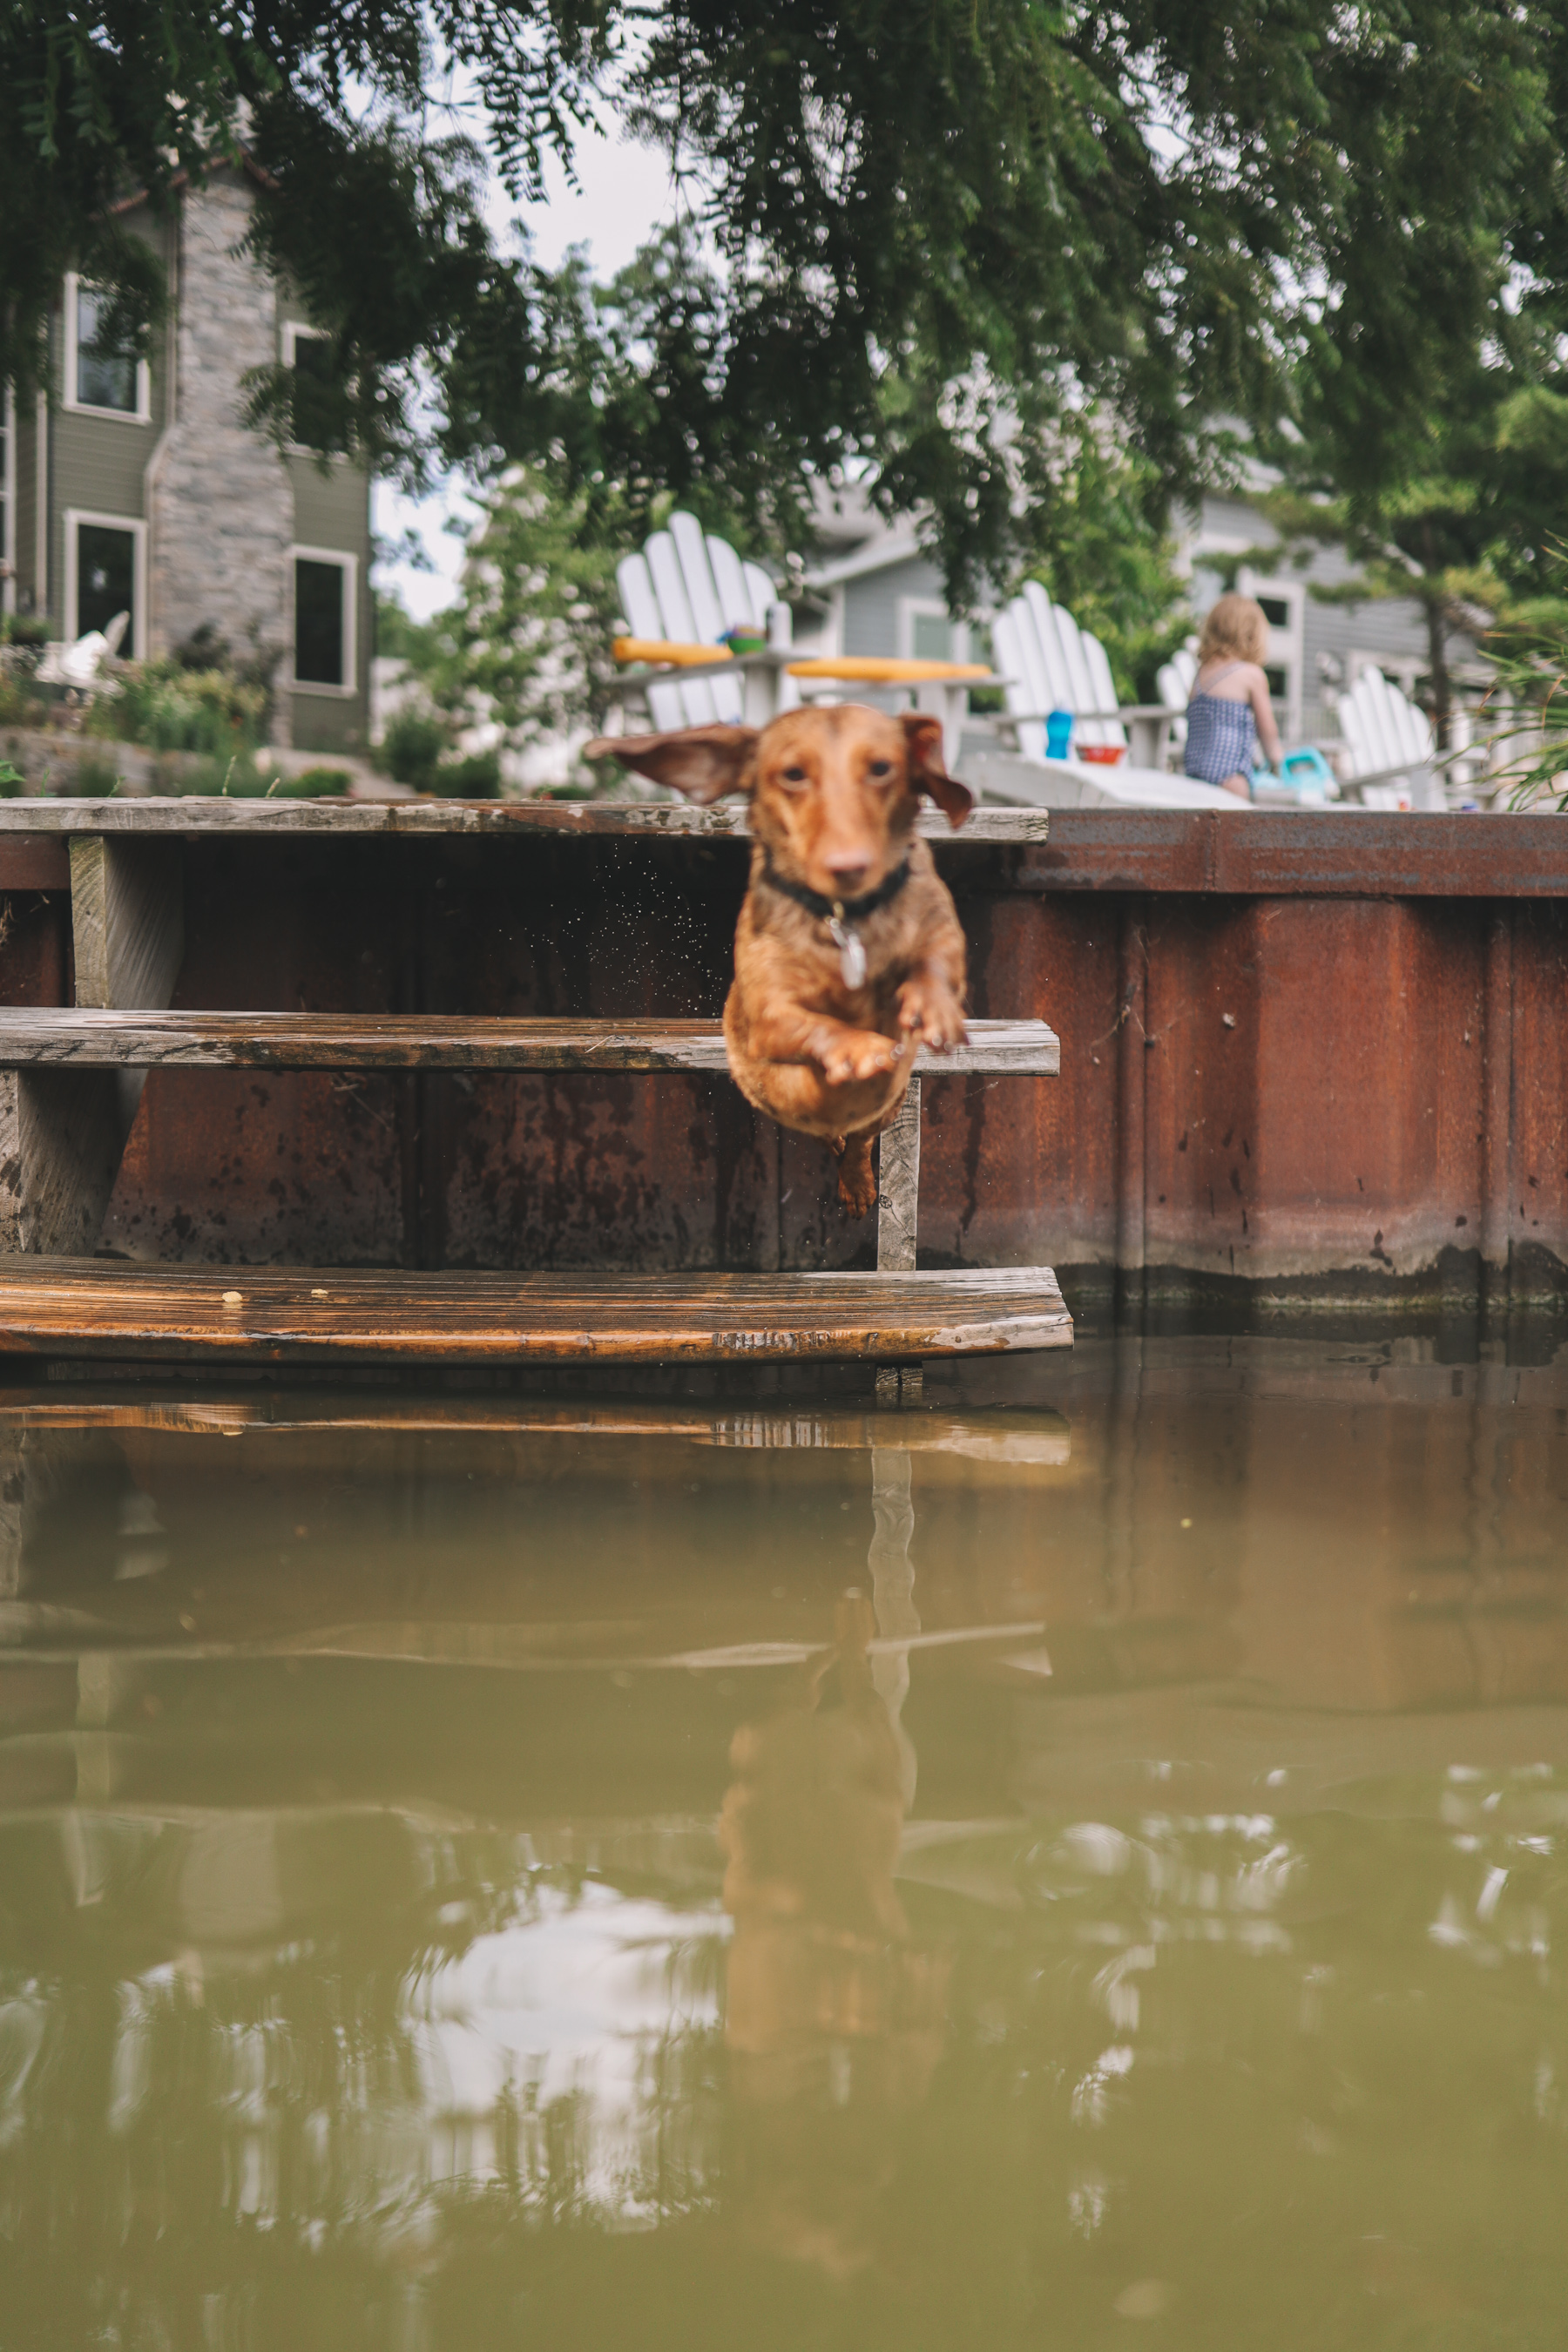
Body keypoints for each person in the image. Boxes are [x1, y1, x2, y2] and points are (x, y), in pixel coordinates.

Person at [1184, 593, 1284, 799]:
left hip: (1194, 777)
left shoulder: (1201, 674)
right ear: (1252, 635)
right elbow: (1267, 729)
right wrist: (1275, 760)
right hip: (1230, 778)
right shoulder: (1251, 674)